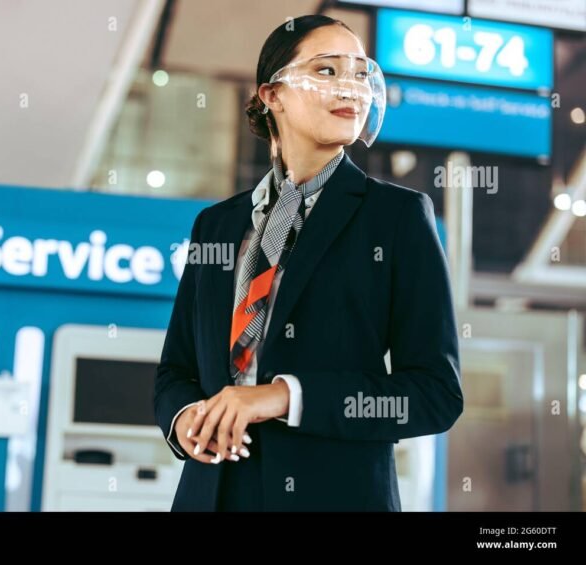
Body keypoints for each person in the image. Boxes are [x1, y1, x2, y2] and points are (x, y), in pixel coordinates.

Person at [154, 14, 463, 511]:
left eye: (361, 74)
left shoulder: (397, 218)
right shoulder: (215, 226)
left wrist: (282, 396)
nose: (351, 88)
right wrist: (187, 418)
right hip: (210, 496)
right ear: (272, 95)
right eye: (326, 71)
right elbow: (176, 371)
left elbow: (432, 393)